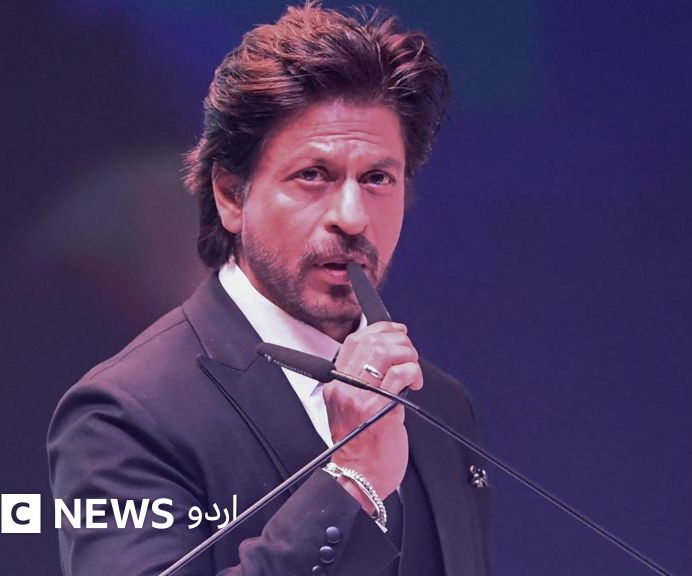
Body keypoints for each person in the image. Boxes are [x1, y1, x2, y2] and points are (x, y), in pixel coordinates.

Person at [47, 4, 491, 575]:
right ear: (232, 196)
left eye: (378, 178)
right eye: (313, 175)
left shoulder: (442, 404)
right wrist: (350, 479)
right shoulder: (125, 414)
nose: (353, 216)